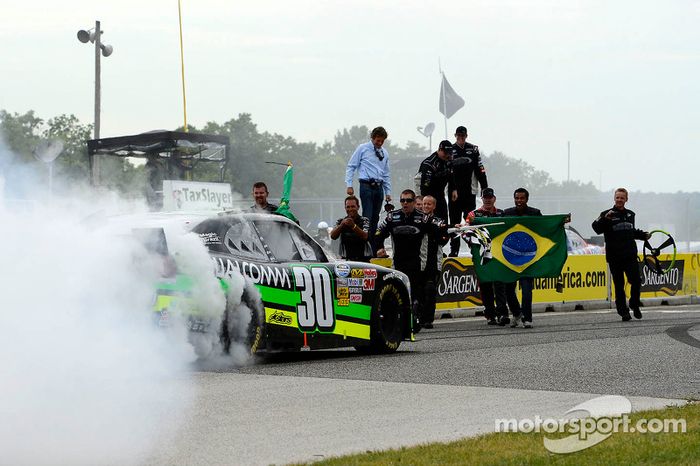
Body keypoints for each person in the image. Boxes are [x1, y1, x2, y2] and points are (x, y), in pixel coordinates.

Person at [375, 189, 432, 330]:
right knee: (399, 291)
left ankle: (416, 318)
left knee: (416, 292)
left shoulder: (423, 218)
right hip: (398, 262)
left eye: (408, 200)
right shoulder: (392, 217)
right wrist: (379, 248)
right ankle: (399, 320)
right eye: (402, 200)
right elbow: (377, 234)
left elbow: (438, 234)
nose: (405, 203)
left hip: (417, 262)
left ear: (414, 202)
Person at [592, 188, 650, 321]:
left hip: (630, 255)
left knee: (636, 281)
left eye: (622, 198)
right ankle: (623, 312)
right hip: (614, 257)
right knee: (619, 284)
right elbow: (596, 228)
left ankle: (635, 305)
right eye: (617, 197)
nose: (619, 200)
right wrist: (605, 219)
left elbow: (631, 231)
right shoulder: (606, 214)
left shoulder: (631, 214)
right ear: (614, 198)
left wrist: (643, 235)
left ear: (626, 199)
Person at [466, 188, 509, 326]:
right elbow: (465, 231)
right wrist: (472, 242)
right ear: (482, 198)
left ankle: (503, 313)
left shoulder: (502, 214)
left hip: (498, 255)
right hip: (481, 255)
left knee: (500, 284)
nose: (488, 199)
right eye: (485, 197)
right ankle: (490, 314)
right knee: (485, 285)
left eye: (490, 197)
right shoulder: (474, 214)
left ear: (494, 198)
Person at [345, 127, 392, 247]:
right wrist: (349, 184)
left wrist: (388, 192)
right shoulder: (363, 148)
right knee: (368, 216)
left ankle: (373, 243)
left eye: (382, 141)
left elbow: (386, 173)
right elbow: (351, 166)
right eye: (377, 140)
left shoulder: (384, 153)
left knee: (376, 217)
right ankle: (366, 243)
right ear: (372, 138)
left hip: (379, 187)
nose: (379, 143)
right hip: (366, 185)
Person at [503, 188, 542, 328]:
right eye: (517, 198)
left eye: (522, 198)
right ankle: (516, 313)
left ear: (527, 199)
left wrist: (560, 222)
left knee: (526, 291)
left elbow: (545, 229)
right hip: (510, 258)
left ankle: (527, 318)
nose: (519, 201)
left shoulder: (535, 213)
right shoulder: (506, 213)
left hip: (528, 258)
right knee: (508, 290)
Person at [448, 126, 488, 257]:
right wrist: (452, 188)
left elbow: (480, 170)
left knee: (470, 221)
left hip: (470, 191)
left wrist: (485, 189)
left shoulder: (473, 149)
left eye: (463, 136)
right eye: (458, 136)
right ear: (455, 136)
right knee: (454, 221)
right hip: (454, 192)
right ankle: (454, 250)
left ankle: (473, 248)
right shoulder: (451, 150)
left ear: (466, 136)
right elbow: (448, 172)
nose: (460, 138)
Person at [420, 195, 450, 328]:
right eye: (424, 204)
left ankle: (428, 319)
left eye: (429, 204)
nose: (426, 206)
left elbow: (443, 238)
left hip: (433, 262)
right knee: (418, 291)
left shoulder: (439, 221)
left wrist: (432, 229)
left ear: (434, 206)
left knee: (430, 290)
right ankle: (417, 317)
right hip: (418, 261)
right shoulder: (416, 219)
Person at [419, 140, 456, 222]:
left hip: (440, 195)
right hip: (429, 195)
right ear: (439, 150)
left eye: (449, 153)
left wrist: (454, 189)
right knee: (431, 221)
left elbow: (451, 174)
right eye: (445, 153)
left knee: (443, 221)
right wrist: (426, 202)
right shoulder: (429, 164)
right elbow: (425, 185)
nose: (447, 155)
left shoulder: (449, 160)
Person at [330, 196, 372, 262]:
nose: (350, 209)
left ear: (358, 207)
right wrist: (341, 226)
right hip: (347, 260)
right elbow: (333, 236)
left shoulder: (364, 220)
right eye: (348, 207)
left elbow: (365, 236)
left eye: (353, 206)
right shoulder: (340, 221)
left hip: (364, 260)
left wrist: (353, 226)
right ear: (345, 208)